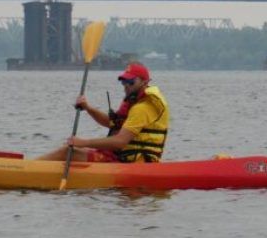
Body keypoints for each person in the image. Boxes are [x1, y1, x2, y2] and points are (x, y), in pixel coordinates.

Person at [37, 62, 170, 163]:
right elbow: (112, 124)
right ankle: (32, 168)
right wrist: (88, 108)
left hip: (134, 163)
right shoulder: (133, 103)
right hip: (123, 157)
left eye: (131, 81)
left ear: (144, 82)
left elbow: (120, 142)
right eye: (124, 81)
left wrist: (84, 142)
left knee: (68, 152)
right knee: (71, 151)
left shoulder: (143, 107)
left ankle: (26, 168)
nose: (126, 85)